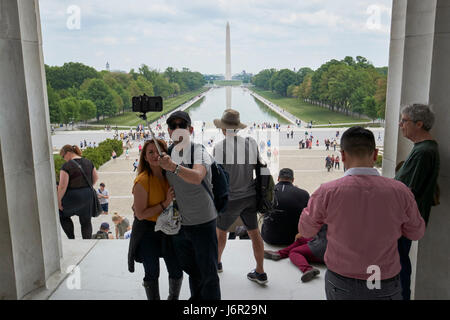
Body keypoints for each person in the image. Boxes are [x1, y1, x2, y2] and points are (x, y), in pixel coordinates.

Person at [299, 126, 426, 300]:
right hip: (383, 279)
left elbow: (306, 230)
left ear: (342, 156)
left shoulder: (327, 191)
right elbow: (416, 232)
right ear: (375, 154)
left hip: (342, 279)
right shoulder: (400, 191)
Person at [158, 110, 221, 300]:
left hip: (203, 222)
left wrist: (173, 167)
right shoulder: (167, 154)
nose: (178, 129)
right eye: (173, 126)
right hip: (181, 226)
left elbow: (197, 176)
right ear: (168, 131)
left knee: (209, 274)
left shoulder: (199, 151)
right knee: (193, 272)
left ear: (191, 129)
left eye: (182, 126)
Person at [213, 109, 268, 285]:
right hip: (250, 195)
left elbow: (217, 176)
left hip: (230, 198)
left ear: (223, 129)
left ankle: (217, 263)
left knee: (220, 232)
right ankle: (260, 271)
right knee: (254, 233)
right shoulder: (251, 143)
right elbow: (258, 166)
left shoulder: (220, 147)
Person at [395, 103, 440, 300]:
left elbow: (408, 191)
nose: (400, 124)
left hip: (402, 220)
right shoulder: (423, 148)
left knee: (399, 263)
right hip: (405, 218)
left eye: (404, 121)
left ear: (419, 124)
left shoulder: (424, 152)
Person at [128, 139, 183, 300]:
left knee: (176, 268)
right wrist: (165, 203)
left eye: (158, 151)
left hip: (169, 229)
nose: (154, 155)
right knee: (152, 271)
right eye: (150, 152)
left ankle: (173, 298)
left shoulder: (171, 176)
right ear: (144, 157)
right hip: (148, 231)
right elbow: (140, 214)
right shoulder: (142, 180)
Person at [57, 145, 99, 239]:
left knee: (62, 215)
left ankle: (71, 238)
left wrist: (58, 200)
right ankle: (87, 241)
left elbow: (63, 186)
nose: (64, 159)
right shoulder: (88, 162)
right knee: (86, 221)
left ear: (67, 153)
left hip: (73, 196)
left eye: (63, 156)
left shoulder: (67, 166)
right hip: (87, 194)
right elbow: (95, 178)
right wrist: (85, 187)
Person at [261, 168, 310, 245]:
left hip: (269, 237)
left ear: (278, 178)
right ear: (293, 180)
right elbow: (309, 216)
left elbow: (262, 213)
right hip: (292, 239)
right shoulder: (303, 194)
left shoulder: (266, 193)